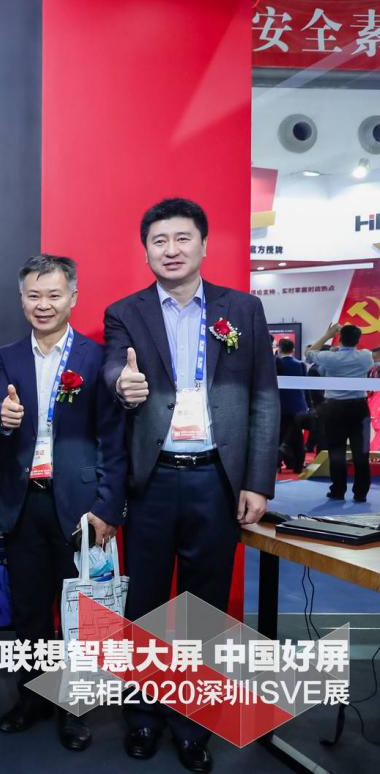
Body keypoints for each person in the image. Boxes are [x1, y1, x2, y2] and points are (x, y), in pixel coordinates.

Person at [104, 198, 278, 773]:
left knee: (204, 608)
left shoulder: (243, 309)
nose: (171, 250)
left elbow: (264, 397)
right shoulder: (125, 312)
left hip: (216, 479)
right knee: (146, 603)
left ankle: (193, 724)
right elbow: (113, 367)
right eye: (159, 241)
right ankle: (143, 717)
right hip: (152, 481)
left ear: (204, 245)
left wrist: (258, 481)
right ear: (146, 251)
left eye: (182, 238)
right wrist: (123, 383)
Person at [0, 254, 125, 752]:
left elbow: (114, 438)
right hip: (24, 501)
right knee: (28, 610)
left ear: (73, 298)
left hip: (81, 505)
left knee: (81, 614)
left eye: (53, 295)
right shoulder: (5, 357)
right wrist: (0, 415)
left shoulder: (97, 358)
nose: (42, 304)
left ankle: (75, 708)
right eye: (33, 295)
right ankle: (32, 699)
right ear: (21, 299)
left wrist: (108, 507)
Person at [305, 323, 372, 501]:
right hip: (360, 407)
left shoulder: (329, 357)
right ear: (358, 339)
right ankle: (361, 493)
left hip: (334, 408)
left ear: (340, 338)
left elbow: (309, 353)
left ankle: (338, 490)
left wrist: (328, 335)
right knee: (362, 452)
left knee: (336, 451)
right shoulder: (365, 356)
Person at [276, 338, 308, 474]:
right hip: (298, 405)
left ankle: (277, 464)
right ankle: (298, 465)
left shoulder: (275, 364)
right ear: (293, 350)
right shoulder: (301, 365)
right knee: (297, 436)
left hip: (280, 405)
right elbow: (305, 386)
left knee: (279, 434)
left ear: (279, 349)